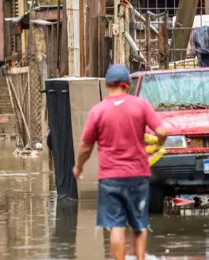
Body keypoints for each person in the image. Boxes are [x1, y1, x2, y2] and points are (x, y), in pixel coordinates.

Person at [72, 64, 167, 260]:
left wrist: (78, 167)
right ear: (127, 85)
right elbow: (162, 132)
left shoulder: (98, 111)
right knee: (139, 224)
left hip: (110, 178)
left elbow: (85, 147)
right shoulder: (140, 105)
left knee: (117, 225)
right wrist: (158, 145)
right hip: (138, 175)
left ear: (107, 85)